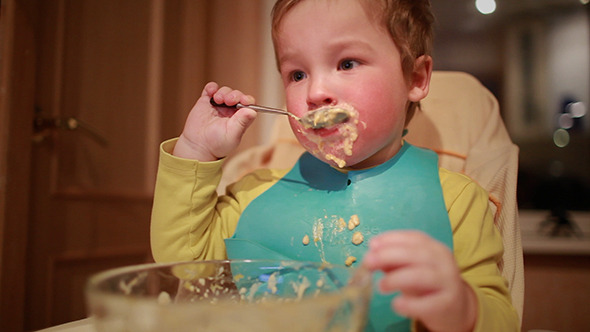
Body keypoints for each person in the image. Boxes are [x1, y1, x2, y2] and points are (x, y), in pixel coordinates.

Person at [150, 0, 520, 331]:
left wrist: (462, 309)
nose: (314, 93)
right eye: (297, 74)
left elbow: (501, 317)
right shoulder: (254, 193)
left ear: (416, 78)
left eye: (347, 63)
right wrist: (195, 149)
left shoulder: (455, 199)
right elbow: (186, 259)